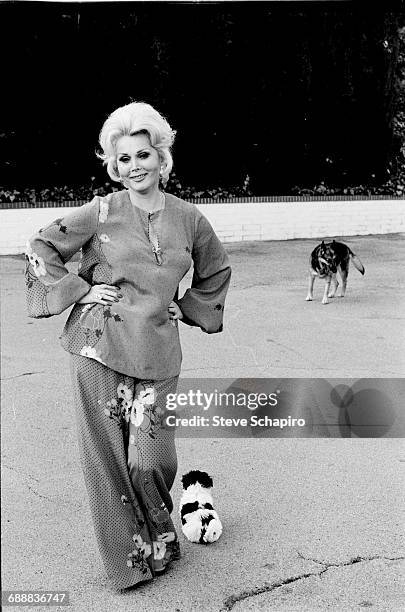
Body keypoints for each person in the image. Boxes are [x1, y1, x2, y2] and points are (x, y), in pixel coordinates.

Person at [25, 101, 231, 590]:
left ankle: (161, 535)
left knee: (152, 458)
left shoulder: (189, 218)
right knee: (107, 461)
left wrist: (192, 305)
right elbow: (41, 245)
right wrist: (78, 288)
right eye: (123, 159)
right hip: (98, 346)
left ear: (161, 158)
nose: (134, 166)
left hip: (158, 349)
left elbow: (216, 269)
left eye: (143, 155)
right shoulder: (100, 211)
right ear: (112, 166)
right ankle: (130, 562)